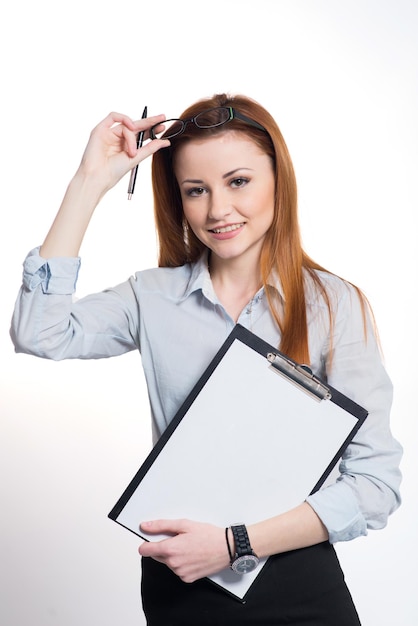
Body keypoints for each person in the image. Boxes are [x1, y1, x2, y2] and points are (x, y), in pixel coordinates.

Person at [10, 93, 402, 625]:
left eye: (238, 181)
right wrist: (88, 182)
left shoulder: (332, 305)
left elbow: (375, 486)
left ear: (277, 181)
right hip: (184, 577)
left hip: (297, 577)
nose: (218, 210)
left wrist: (235, 542)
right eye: (196, 191)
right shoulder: (151, 298)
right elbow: (39, 332)